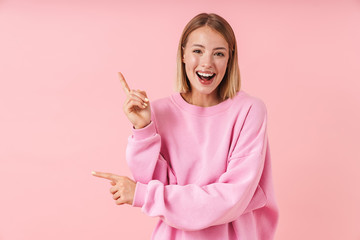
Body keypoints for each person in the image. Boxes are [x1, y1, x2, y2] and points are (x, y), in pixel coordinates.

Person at [92, 12, 279, 239]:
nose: (207, 63)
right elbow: (155, 182)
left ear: (230, 58)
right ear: (183, 54)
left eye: (218, 53)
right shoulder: (158, 112)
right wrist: (143, 129)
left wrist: (144, 195)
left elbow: (232, 197)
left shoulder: (250, 110)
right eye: (197, 51)